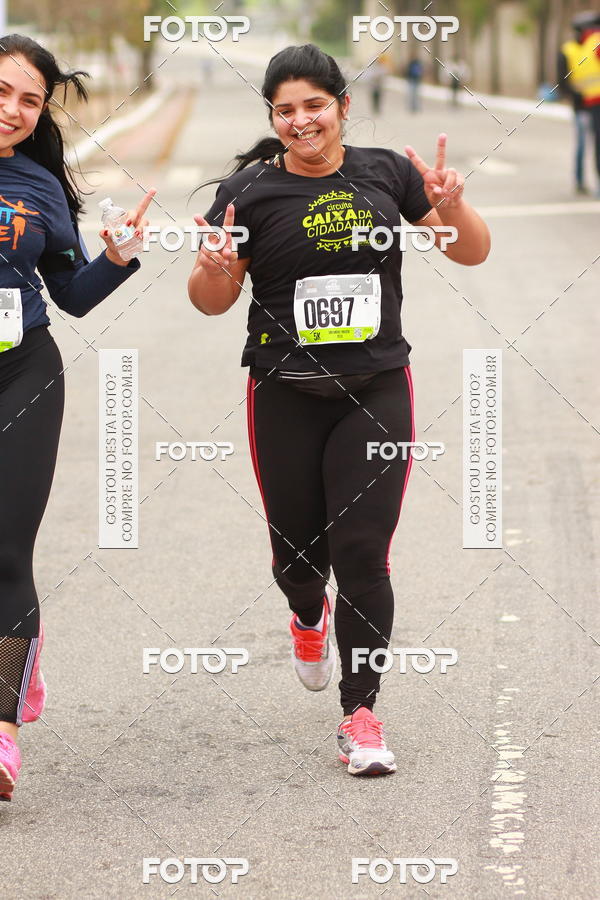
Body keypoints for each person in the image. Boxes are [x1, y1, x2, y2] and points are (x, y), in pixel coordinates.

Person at [188, 44, 490, 776]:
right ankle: (304, 613)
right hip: (284, 393)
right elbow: (210, 304)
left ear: (343, 108)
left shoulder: (387, 171)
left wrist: (450, 205)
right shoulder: (248, 192)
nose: (302, 121)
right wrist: (213, 270)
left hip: (376, 388)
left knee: (361, 551)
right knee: (300, 557)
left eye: (315, 106)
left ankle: (360, 713)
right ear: (273, 118)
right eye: (285, 110)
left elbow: (472, 253)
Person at [0, 34, 155, 801]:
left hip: (22, 372)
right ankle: (19, 658)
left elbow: (71, 295)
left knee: (6, 551)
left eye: (29, 100)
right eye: (2, 91)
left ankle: (1, 732)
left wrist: (118, 258)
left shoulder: (38, 184)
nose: (14, 110)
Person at [559, 11, 600, 195]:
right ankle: (579, 179)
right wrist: (576, 96)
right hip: (581, 105)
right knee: (583, 143)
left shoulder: (595, 45)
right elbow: (562, 81)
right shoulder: (568, 50)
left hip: (596, 103)